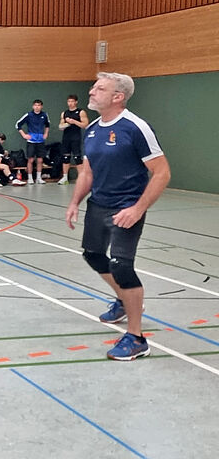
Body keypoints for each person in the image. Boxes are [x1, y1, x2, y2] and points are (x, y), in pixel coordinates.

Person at [65, 73, 170, 361]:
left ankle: (136, 338)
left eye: (100, 88)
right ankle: (124, 300)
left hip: (126, 207)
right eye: (94, 87)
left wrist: (138, 208)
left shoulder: (136, 127)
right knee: (93, 255)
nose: (92, 91)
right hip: (98, 204)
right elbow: (88, 172)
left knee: (121, 266)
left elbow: (162, 172)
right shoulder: (92, 129)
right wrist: (74, 202)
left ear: (118, 96)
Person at [16, 99, 50, 184]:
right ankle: (30, 178)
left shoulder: (44, 115)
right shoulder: (28, 115)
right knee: (30, 160)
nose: (37, 107)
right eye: (35, 105)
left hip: (40, 141)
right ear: (33, 106)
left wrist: (46, 134)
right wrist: (24, 135)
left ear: (41, 106)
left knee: (40, 160)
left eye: (39, 105)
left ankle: (39, 178)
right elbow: (18, 124)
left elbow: (47, 125)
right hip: (31, 141)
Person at [57, 94, 89, 185]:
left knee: (77, 158)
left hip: (76, 138)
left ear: (76, 102)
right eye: (69, 101)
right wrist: (66, 124)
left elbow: (85, 125)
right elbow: (60, 126)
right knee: (65, 157)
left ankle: (82, 178)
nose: (70, 103)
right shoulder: (64, 113)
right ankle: (65, 178)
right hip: (66, 138)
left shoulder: (81, 112)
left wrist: (74, 121)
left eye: (72, 101)